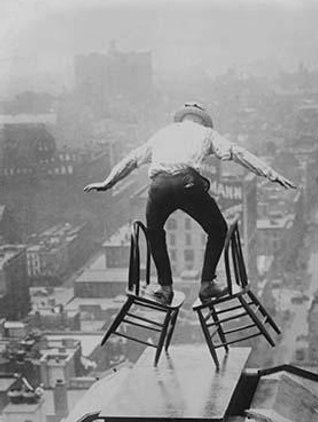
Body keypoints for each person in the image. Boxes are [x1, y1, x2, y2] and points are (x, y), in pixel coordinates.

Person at [84, 102, 296, 304]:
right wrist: (271, 174)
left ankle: (165, 290)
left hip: (159, 187)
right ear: (202, 121)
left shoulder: (163, 133)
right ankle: (207, 285)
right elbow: (238, 153)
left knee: (155, 233)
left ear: (182, 118)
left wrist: (107, 182)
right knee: (218, 229)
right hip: (187, 184)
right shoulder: (207, 133)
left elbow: (131, 159)